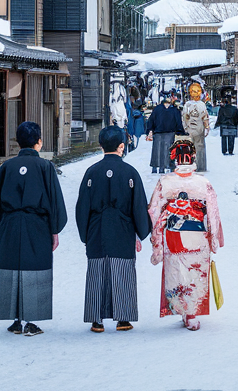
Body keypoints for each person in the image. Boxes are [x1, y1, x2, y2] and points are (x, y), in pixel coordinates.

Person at [0, 121, 67, 337]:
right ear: (39, 142)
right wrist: (55, 229)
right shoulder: (45, 167)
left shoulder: (7, 167)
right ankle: (31, 321)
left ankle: (16, 320)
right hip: (37, 224)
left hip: (10, 223)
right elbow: (55, 201)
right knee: (35, 268)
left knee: (13, 268)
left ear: (18, 143)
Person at [75, 126, 152, 333]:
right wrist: (141, 231)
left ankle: (96, 319)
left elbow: (82, 206)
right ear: (121, 146)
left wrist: (85, 234)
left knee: (97, 270)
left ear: (101, 147)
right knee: (123, 270)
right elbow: (139, 205)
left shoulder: (92, 172)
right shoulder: (130, 172)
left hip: (96, 228)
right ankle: (123, 318)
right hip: (123, 228)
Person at [148, 138, 223, 331]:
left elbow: (153, 211)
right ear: (192, 158)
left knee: (178, 272)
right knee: (195, 272)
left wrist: (156, 241)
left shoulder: (165, 182)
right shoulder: (203, 182)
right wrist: (215, 238)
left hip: (173, 233)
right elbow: (213, 213)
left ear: (174, 159)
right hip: (198, 233)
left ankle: (184, 311)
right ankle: (191, 314)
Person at [146, 91, 184, 174]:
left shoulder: (157, 109)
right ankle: (168, 166)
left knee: (157, 150)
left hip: (158, 132)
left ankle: (155, 167)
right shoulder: (174, 110)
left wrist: (149, 130)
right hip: (170, 132)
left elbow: (151, 120)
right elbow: (178, 122)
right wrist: (180, 131)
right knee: (168, 150)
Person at [182, 82, 210, 173]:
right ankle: (201, 166)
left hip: (190, 128)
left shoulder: (187, 105)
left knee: (189, 148)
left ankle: (189, 165)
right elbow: (205, 117)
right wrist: (207, 127)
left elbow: (184, 116)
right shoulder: (202, 104)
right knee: (200, 147)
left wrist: (185, 127)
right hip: (199, 129)